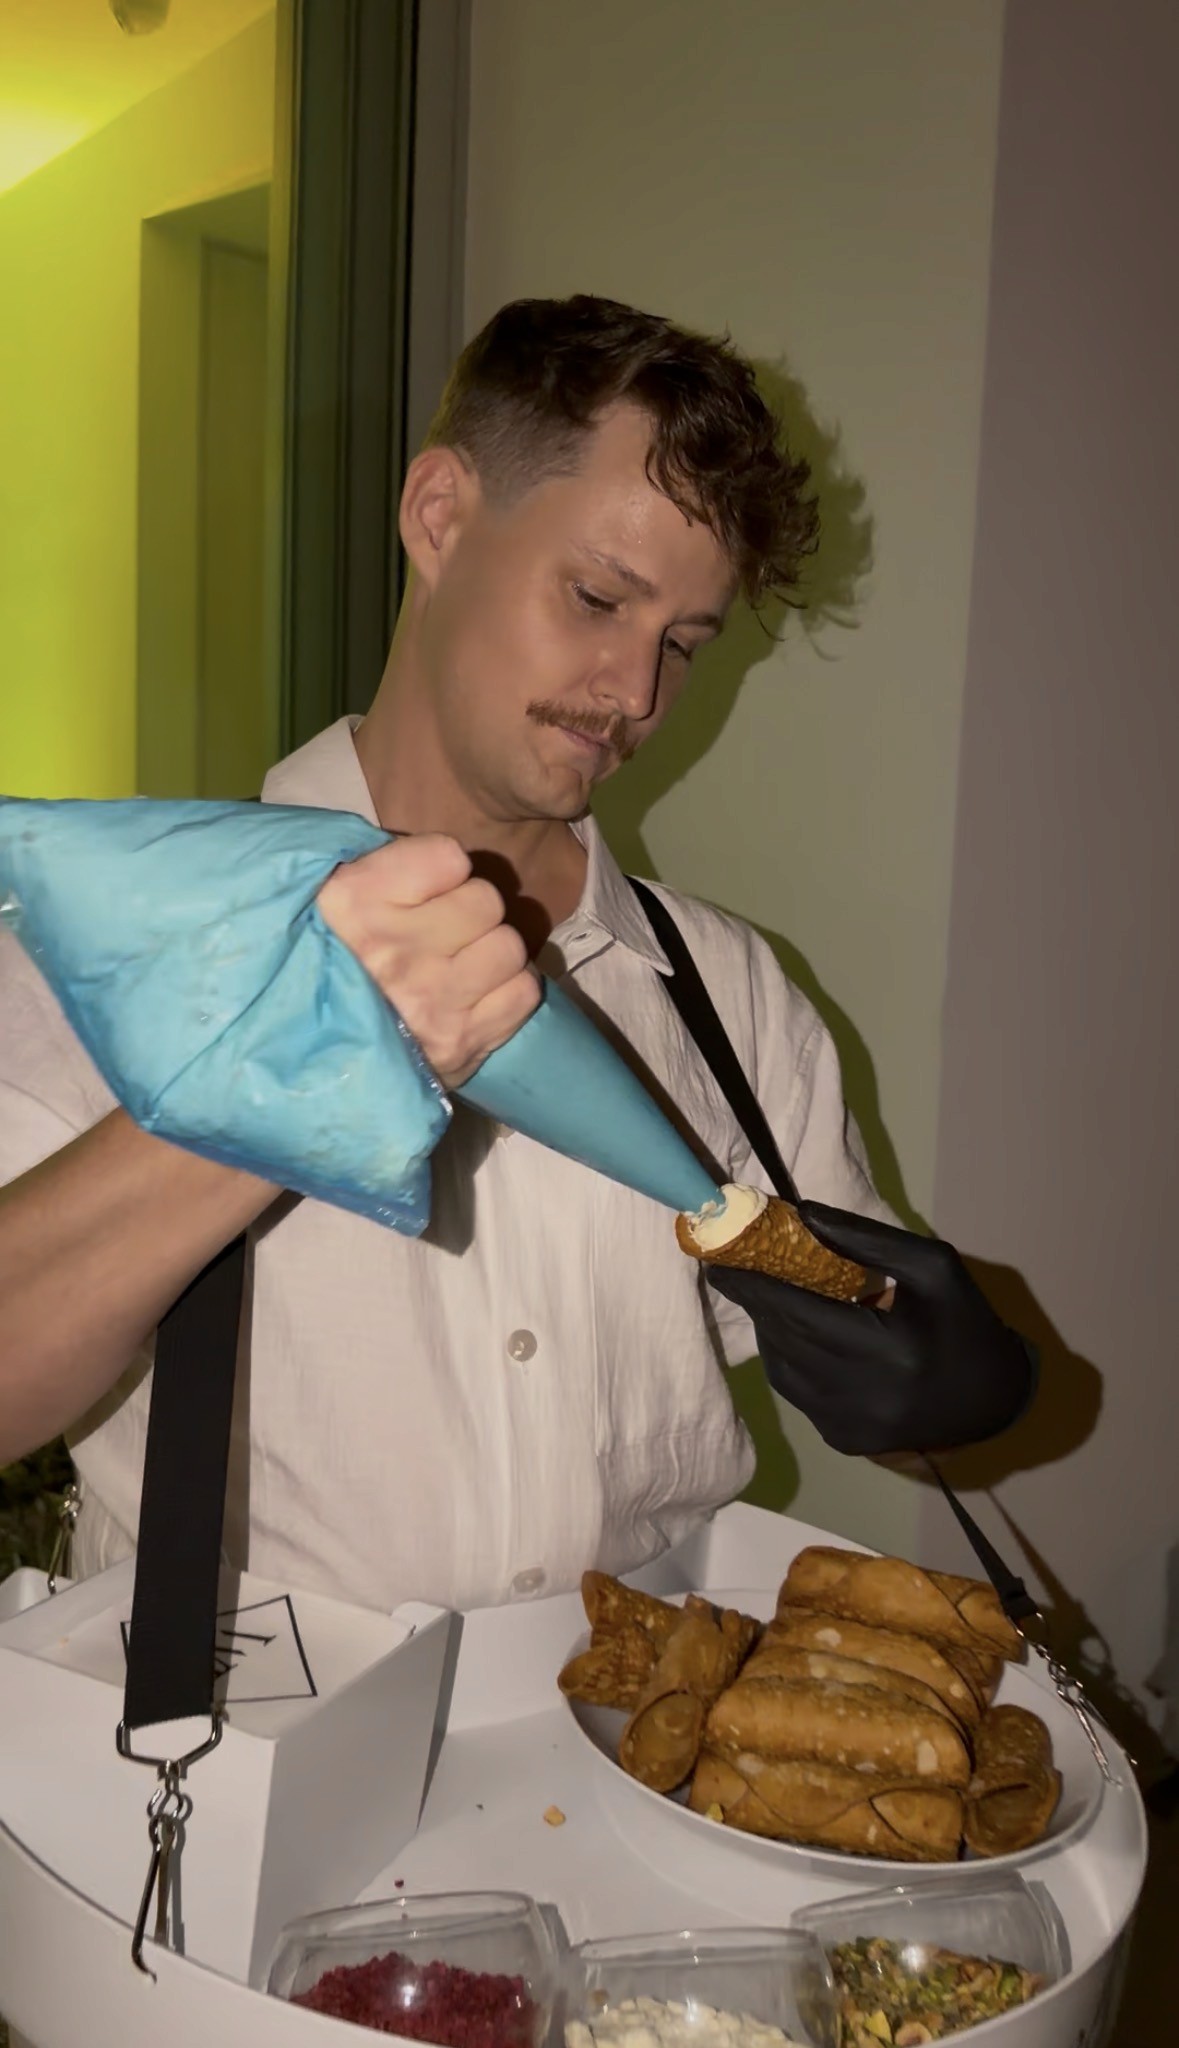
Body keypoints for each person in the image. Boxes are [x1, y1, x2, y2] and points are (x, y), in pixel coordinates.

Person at [0, 296, 1032, 1613]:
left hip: (634, 1761)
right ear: (439, 516)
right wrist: (270, 1077)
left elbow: (854, 1338)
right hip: (239, 1776)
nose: (637, 695)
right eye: (599, 598)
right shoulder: (131, 935)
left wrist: (943, 1372)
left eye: (682, 645)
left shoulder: (731, 996)